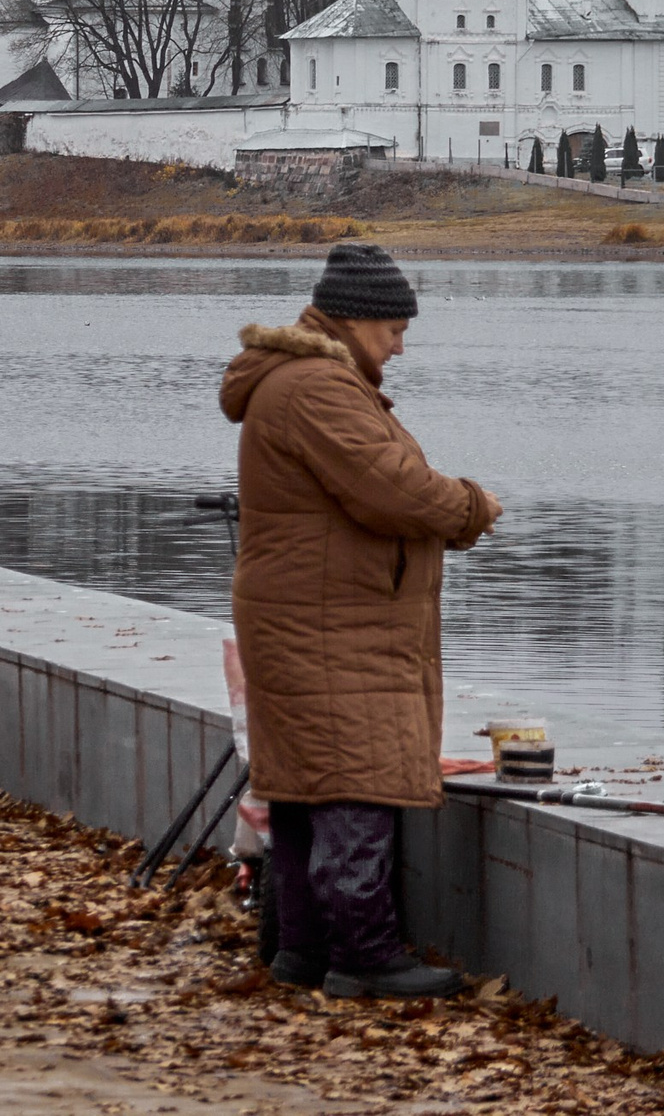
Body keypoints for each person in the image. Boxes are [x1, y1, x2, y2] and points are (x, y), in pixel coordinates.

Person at [219, 243, 502, 998]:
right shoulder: (318, 387)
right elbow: (394, 489)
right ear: (354, 319)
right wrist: (473, 506)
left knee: (306, 787)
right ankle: (364, 956)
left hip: (313, 614)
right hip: (331, 625)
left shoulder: (308, 379)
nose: (400, 347)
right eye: (394, 330)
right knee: (354, 778)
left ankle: (302, 952)